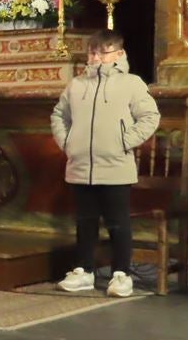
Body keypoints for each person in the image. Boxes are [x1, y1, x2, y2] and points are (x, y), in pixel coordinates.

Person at [51, 30, 160, 298]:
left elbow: (149, 116)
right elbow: (59, 115)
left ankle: (121, 274)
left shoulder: (132, 84)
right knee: (85, 221)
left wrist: (124, 141)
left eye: (103, 51)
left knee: (118, 223)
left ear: (119, 54)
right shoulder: (76, 85)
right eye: (92, 52)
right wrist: (68, 143)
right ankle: (84, 271)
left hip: (115, 165)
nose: (97, 57)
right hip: (80, 166)